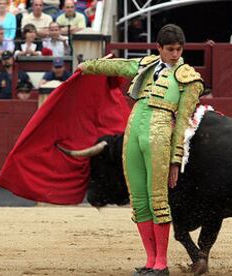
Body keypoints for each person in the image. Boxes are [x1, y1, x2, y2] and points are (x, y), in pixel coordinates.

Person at [78, 24, 204, 276]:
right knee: (138, 200)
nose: (175, 54)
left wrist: (175, 159)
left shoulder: (189, 78)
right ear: (159, 48)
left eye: (179, 49)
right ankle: (149, 261)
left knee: (158, 200)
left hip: (159, 133)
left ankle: (161, 263)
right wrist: (85, 67)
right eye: (170, 49)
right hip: (134, 128)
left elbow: (181, 123)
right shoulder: (147, 64)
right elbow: (118, 66)